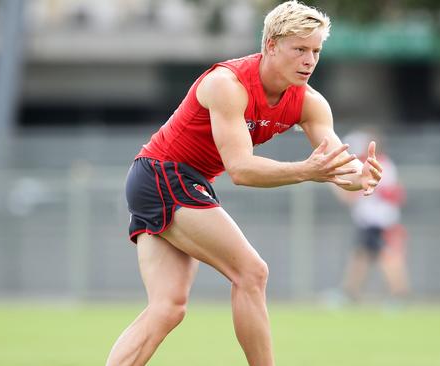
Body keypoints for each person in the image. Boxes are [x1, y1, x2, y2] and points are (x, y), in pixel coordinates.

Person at [105, 2, 383, 366]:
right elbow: (241, 170)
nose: (309, 60)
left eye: (315, 51)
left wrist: (357, 176)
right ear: (270, 45)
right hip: (162, 174)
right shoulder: (227, 84)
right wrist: (306, 171)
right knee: (252, 272)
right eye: (299, 49)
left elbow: (334, 163)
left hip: (178, 181)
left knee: (168, 308)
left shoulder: (311, 103)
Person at [333, 129, 409, 305]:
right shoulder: (385, 164)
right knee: (361, 256)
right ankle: (350, 292)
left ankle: (399, 295)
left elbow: (349, 197)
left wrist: (332, 181)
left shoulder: (373, 167)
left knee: (386, 257)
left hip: (376, 221)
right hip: (378, 219)